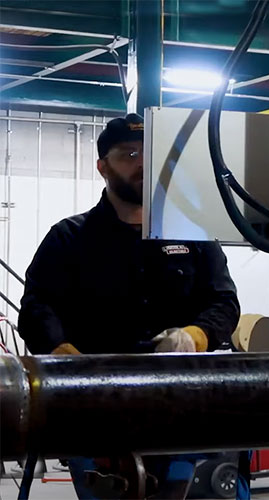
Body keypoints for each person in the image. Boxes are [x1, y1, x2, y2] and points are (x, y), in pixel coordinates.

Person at [18, 113, 240, 499]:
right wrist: (62, 354)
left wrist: (195, 335)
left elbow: (223, 301)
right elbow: (37, 306)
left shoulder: (193, 235)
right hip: (94, 412)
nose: (141, 164)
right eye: (129, 154)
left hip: (177, 409)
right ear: (103, 167)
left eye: (148, 155)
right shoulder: (69, 239)